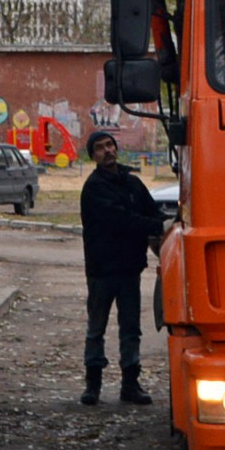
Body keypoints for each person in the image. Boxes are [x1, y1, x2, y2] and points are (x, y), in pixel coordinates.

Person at [79, 128, 165, 406]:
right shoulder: (94, 188)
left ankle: (131, 384)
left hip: (129, 269)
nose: (108, 151)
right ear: (93, 156)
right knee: (97, 329)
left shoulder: (132, 183)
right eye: (101, 148)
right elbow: (121, 219)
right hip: (102, 270)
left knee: (131, 329)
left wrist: (168, 222)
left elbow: (151, 211)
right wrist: (157, 226)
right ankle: (93, 385)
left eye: (110, 145)